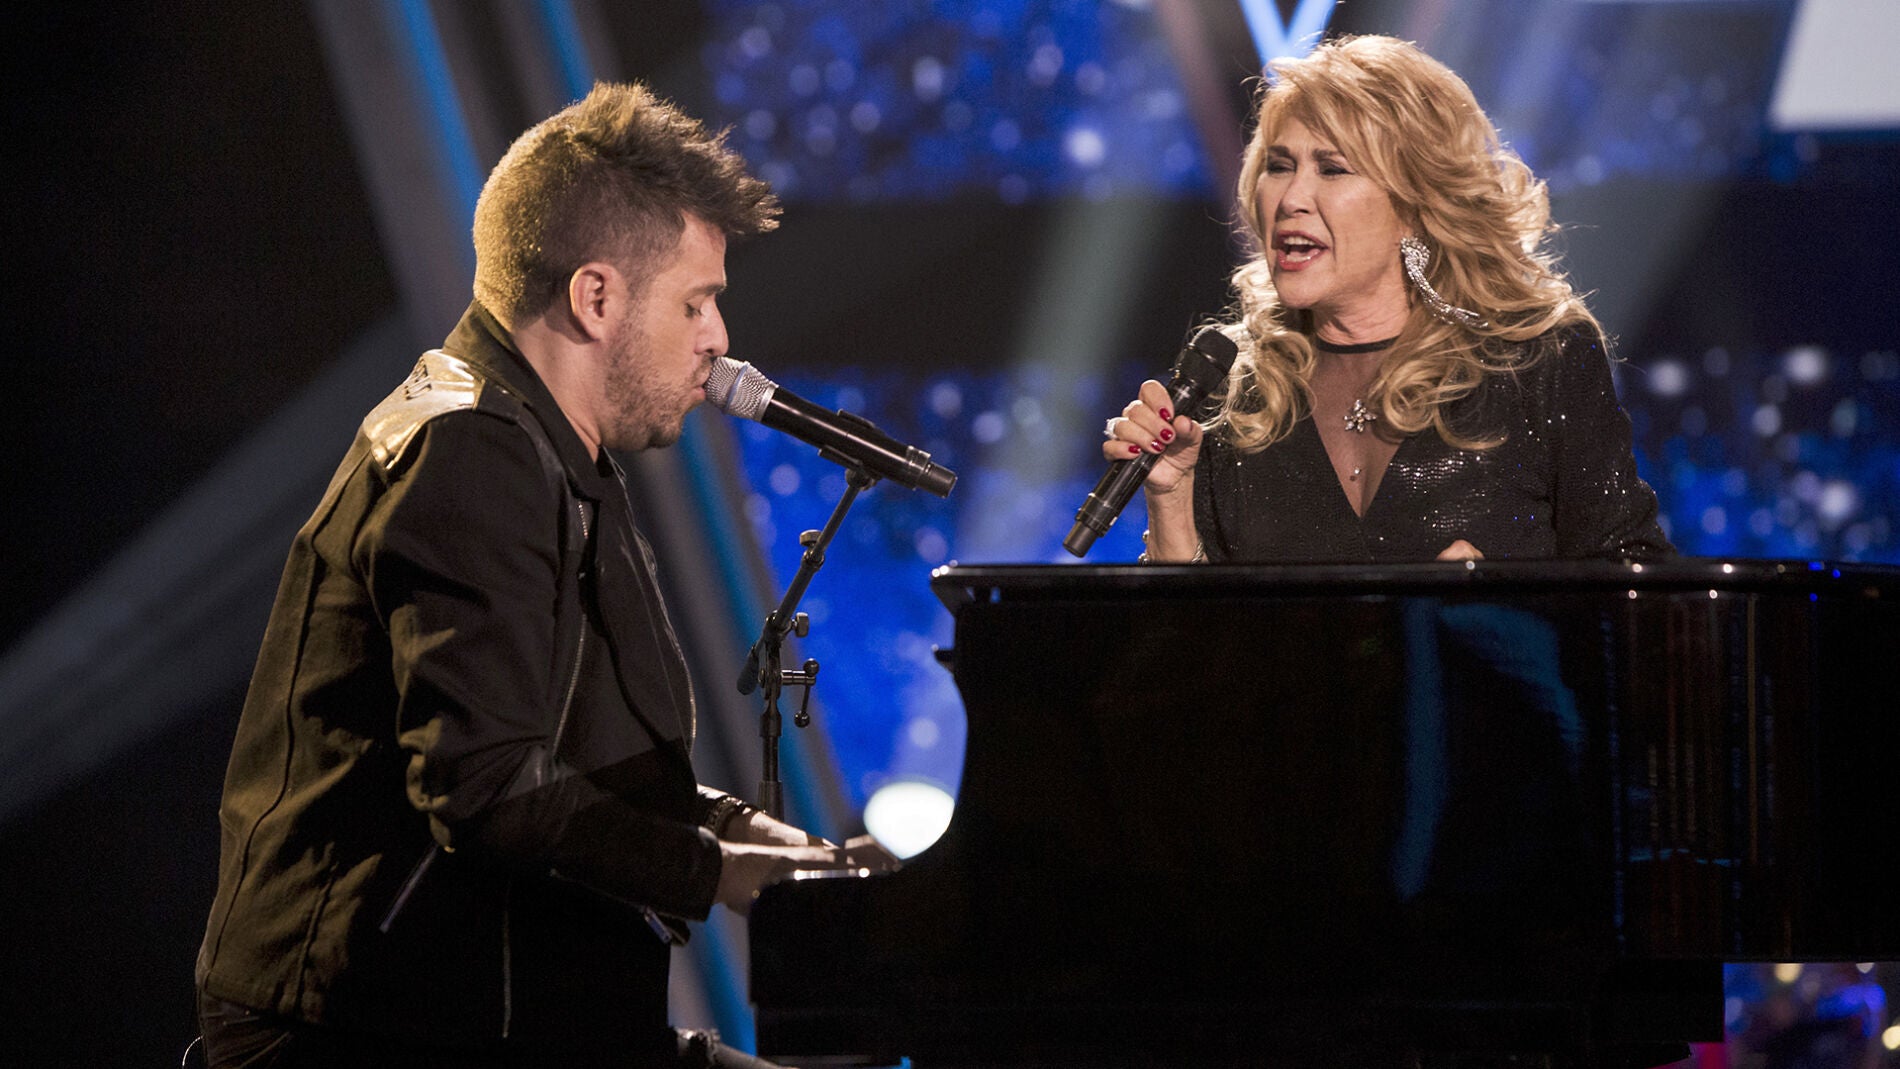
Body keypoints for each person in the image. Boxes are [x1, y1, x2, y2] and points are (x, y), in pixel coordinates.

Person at [195, 82, 878, 1068]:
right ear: (596, 297)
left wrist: (789, 857)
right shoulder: (473, 454)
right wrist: (724, 873)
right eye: (695, 302)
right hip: (381, 1033)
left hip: (509, 1013)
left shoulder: (545, 453)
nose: (718, 339)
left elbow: (591, 772)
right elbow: (488, 788)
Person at [1103, 35, 1673, 564]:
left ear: (1414, 205)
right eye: (1279, 166)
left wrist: (1512, 614)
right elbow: (1198, 649)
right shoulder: (1231, 388)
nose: (1291, 198)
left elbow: (1637, 599)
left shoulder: (1537, 364)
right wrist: (1172, 501)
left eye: (1333, 169)